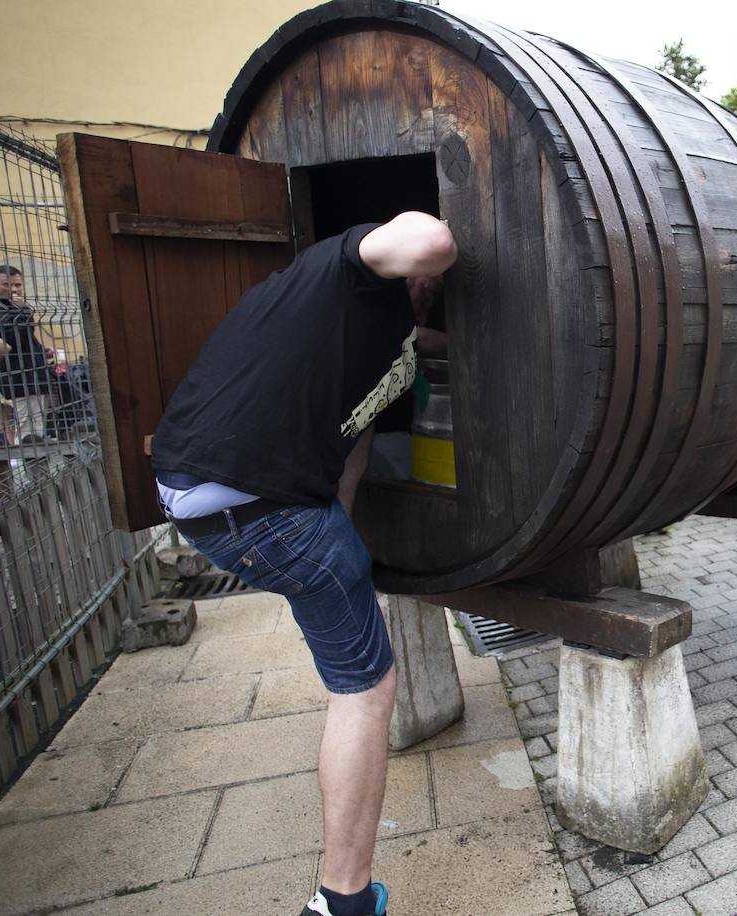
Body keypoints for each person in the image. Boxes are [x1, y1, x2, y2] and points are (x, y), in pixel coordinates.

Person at [151, 211, 457, 916]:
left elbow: (354, 437)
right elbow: (433, 239)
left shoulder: (386, 345)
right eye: (424, 288)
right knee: (365, 691)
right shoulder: (340, 268)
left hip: (203, 499)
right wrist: (438, 250)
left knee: (347, 649)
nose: (426, 295)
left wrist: (336, 540)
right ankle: (344, 901)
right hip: (261, 509)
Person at [0, 265, 55, 444]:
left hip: (29, 374)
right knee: (29, 433)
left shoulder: (5, 305)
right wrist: (23, 311)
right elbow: (12, 338)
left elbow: (24, 338)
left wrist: (40, 351)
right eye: (7, 285)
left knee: (33, 429)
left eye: (18, 285)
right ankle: (27, 468)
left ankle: (30, 466)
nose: (14, 289)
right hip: (22, 378)